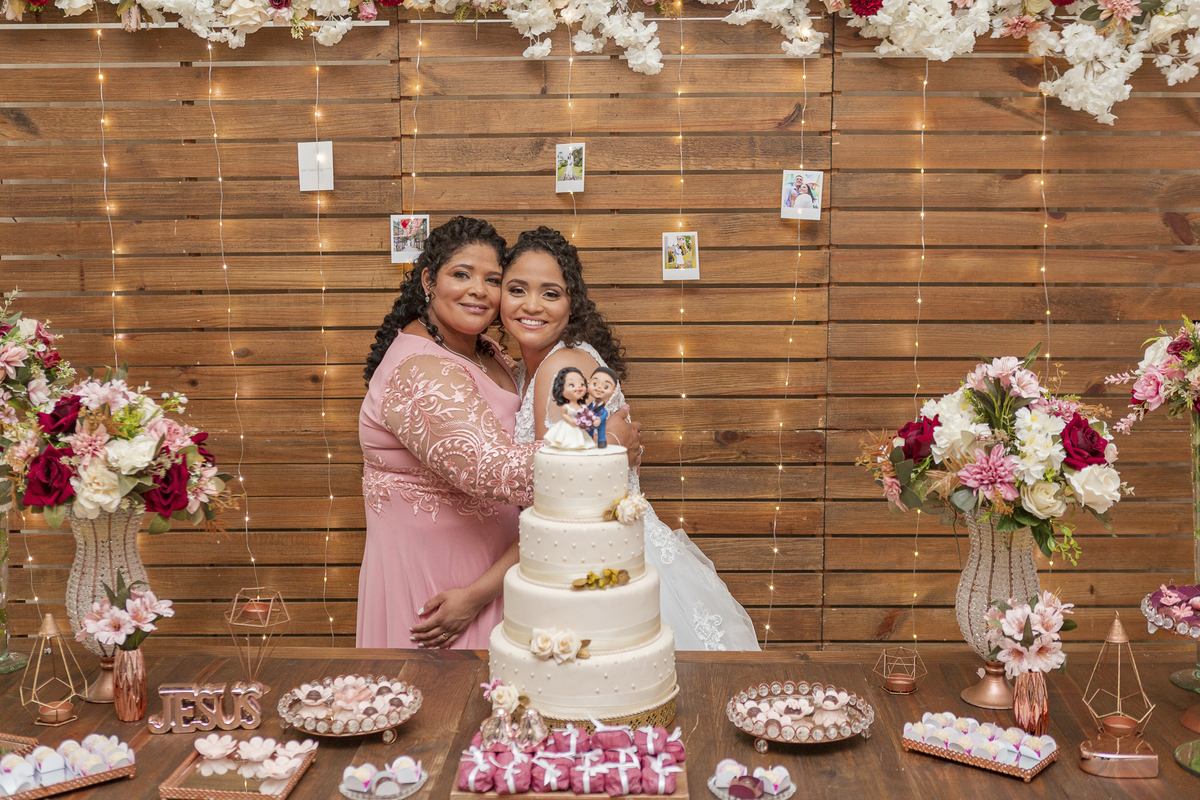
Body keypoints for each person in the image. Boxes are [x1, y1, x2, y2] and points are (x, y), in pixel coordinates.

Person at [500, 226, 761, 651]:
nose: (532, 305)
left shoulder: (562, 366)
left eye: (550, 293)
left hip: (596, 560)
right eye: (517, 289)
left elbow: (560, 496)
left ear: (571, 303)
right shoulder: (536, 365)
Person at [356, 217, 540, 651]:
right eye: (461, 274)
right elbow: (493, 472)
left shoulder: (484, 350)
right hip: (440, 593)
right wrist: (596, 444)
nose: (478, 290)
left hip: (493, 577)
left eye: (492, 279)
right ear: (428, 281)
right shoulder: (420, 369)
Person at [543, 367, 596, 450]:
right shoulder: (566, 407)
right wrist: (571, 421)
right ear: (561, 388)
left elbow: (587, 414)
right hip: (569, 426)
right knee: (568, 440)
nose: (578, 387)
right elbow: (564, 414)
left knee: (581, 440)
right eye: (571, 385)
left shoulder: (582, 406)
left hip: (579, 428)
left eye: (582, 384)